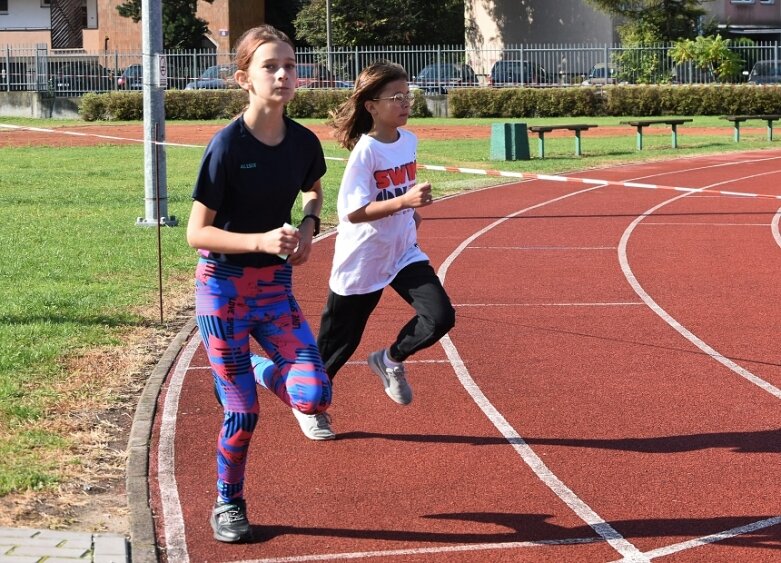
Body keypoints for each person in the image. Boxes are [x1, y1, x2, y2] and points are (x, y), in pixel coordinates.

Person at [186, 24, 332, 543]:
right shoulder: (226, 146)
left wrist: (310, 229)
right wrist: (263, 240)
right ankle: (228, 502)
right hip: (222, 291)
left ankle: (256, 364)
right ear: (243, 78)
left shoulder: (303, 141)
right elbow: (195, 232)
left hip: (274, 291)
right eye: (271, 66)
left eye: (290, 66)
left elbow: (313, 192)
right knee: (242, 412)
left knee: (313, 397)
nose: (284, 75)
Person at [271, 60, 455, 441]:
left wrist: (408, 213)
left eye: (408, 95)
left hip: (403, 251)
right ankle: (308, 405)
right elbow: (351, 212)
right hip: (363, 258)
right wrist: (404, 202)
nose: (406, 103)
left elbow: (397, 192)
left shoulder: (409, 141)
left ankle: (389, 360)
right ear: (371, 105)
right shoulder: (365, 152)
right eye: (396, 97)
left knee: (440, 317)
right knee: (337, 344)